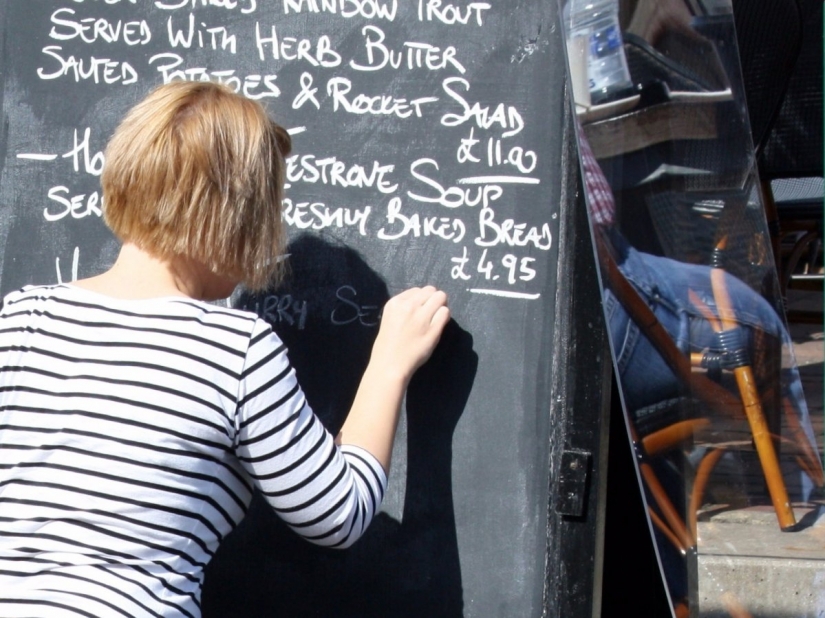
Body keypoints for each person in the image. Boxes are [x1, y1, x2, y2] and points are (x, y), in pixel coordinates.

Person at [0, 81, 450, 617]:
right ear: (237, 214)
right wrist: (390, 364)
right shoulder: (235, 350)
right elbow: (340, 513)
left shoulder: (21, 317)